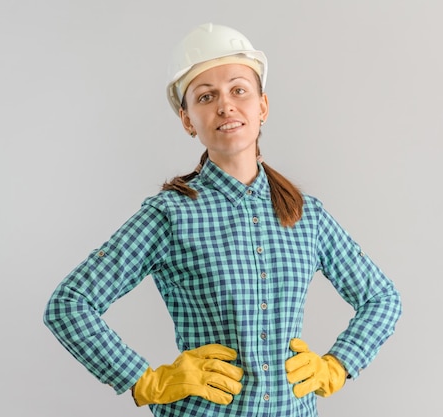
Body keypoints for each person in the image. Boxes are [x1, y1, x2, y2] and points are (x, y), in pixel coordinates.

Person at [44, 22, 402, 416]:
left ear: (262, 106)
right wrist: (147, 381)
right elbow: (70, 304)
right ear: (187, 120)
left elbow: (381, 298)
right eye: (205, 96)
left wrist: (336, 365)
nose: (225, 105)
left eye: (238, 90)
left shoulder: (307, 215)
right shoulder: (170, 214)